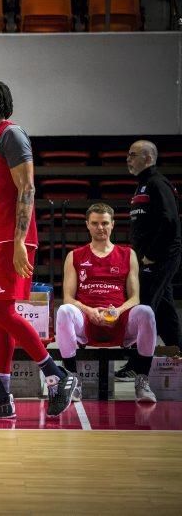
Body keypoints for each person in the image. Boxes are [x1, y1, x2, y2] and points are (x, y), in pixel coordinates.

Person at [0, 76, 78, 419]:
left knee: (6, 312)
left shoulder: (11, 134)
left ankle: (56, 374)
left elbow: (27, 189)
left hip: (8, 241)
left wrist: (20, 242)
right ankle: (0, 395)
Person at [56, 203, 157, 403]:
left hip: (118, 319)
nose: (100, 228)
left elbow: (134, 298)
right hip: (86, 319)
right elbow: (68, 297)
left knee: (146, 312)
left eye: (104, 223)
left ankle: (142, 381)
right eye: (95, 223)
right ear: (87, 225)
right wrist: (88, 310)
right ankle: (72, 381)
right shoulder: (74, 256)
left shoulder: (128, 254)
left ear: (112, 224)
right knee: (64, 310)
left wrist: (118, 311)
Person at [116, 141, 182, 380]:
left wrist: (151, 254)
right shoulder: (142, 185)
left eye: (132, 155)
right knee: (164, 309)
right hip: (148, 258)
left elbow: (169, 221)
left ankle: (138, 365)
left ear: (148, 157)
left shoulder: (157, 183)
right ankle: (178, 351)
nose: (128, 159)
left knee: (144, 308)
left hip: (160, 257)